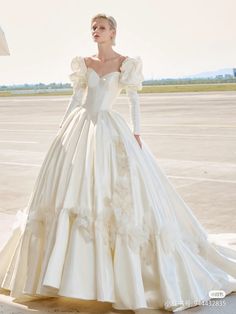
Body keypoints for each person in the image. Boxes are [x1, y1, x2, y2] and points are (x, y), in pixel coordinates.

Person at [0, 13, 236, 313]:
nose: (95, 32)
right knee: (72, 192)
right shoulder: (84, 63)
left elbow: (134, 100)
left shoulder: (126, 63)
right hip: (80, 127)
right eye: (93, 28)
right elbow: (76, 99)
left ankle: (115, 280)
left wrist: (136, 132)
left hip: (110, 128)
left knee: (115, 195)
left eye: (101, 28)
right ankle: (63, 275)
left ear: (113, 32)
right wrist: (61, 129)